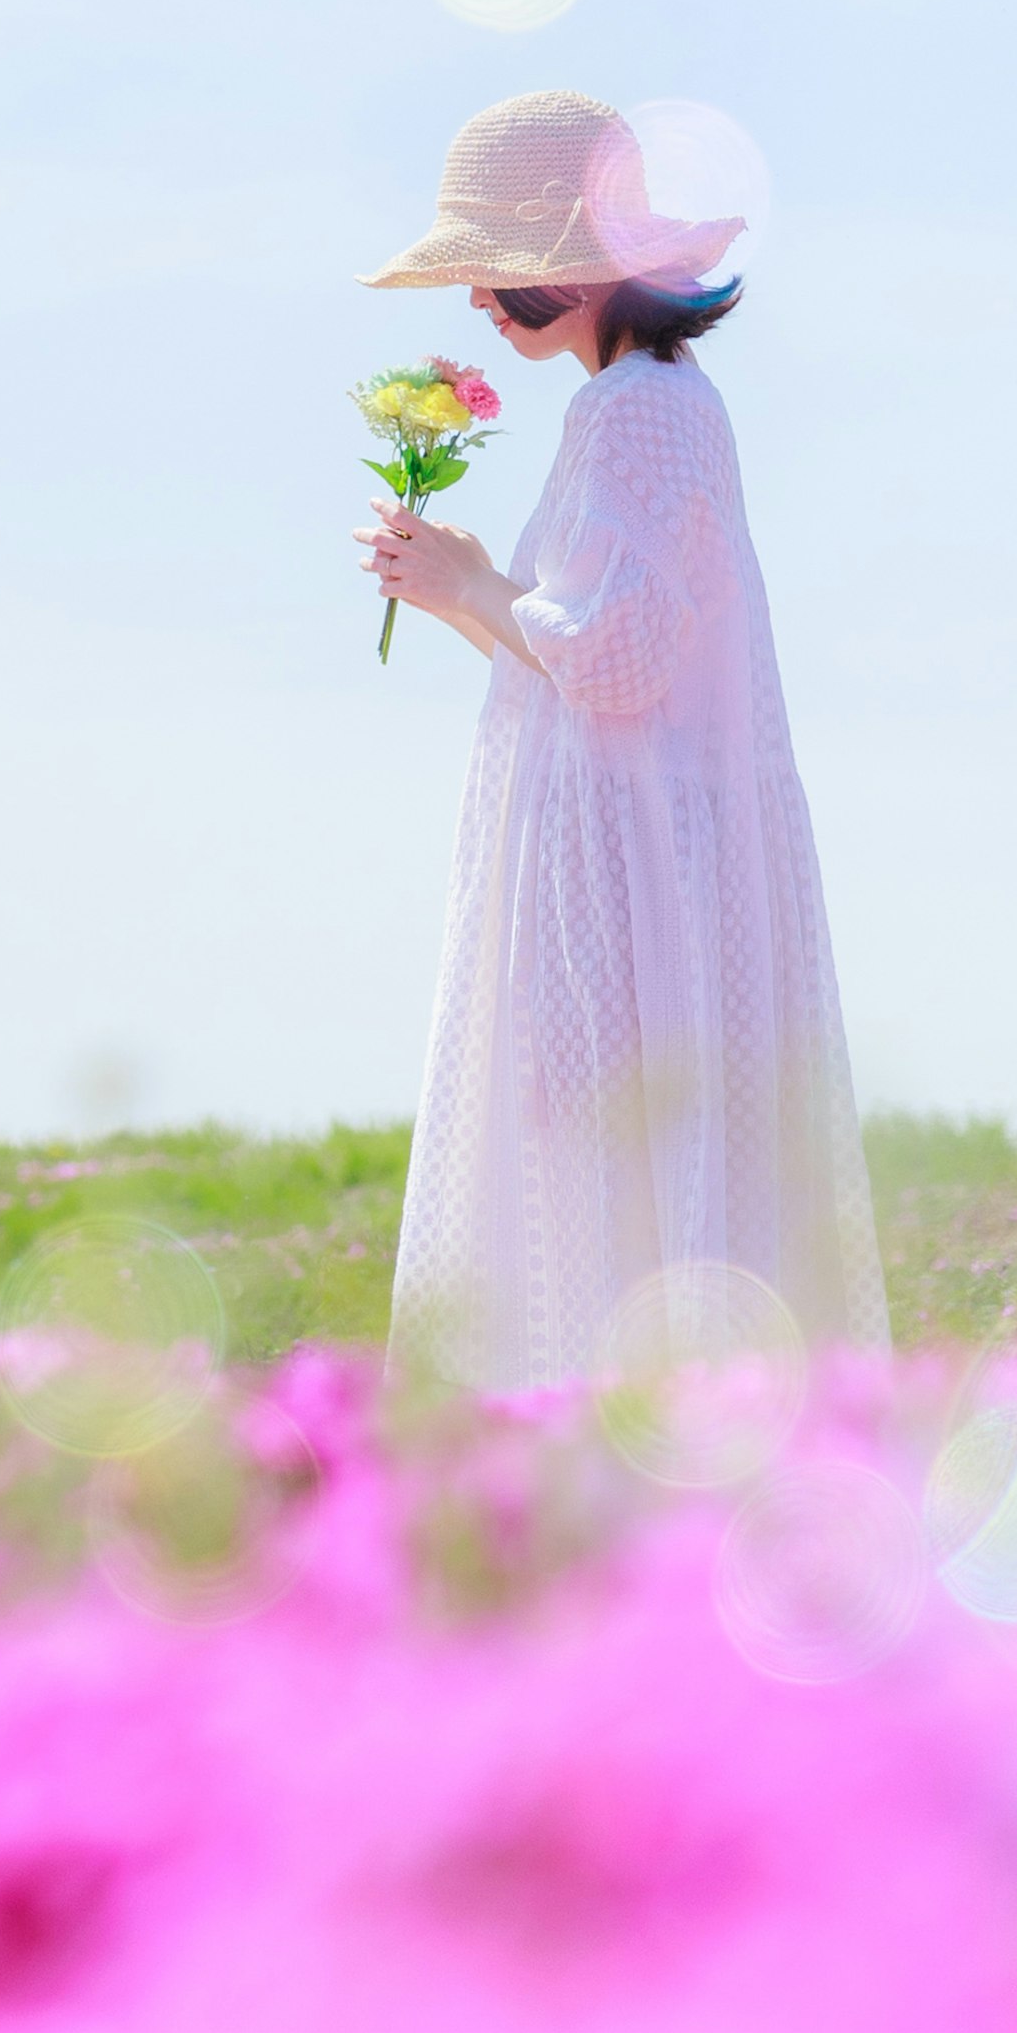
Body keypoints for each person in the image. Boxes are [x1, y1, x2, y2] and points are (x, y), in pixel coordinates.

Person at [361, 88, 883, 1391]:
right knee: (623, 1180)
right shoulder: (646, 400)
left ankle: (603, 1468)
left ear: (574, 267)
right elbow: (600, 666)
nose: (478, 303)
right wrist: (466, 593)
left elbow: (613, 657)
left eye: (493, 271)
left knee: (602, 1182)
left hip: (625, 872)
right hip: (643, 849)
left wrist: (475, 584)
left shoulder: (639, 409)